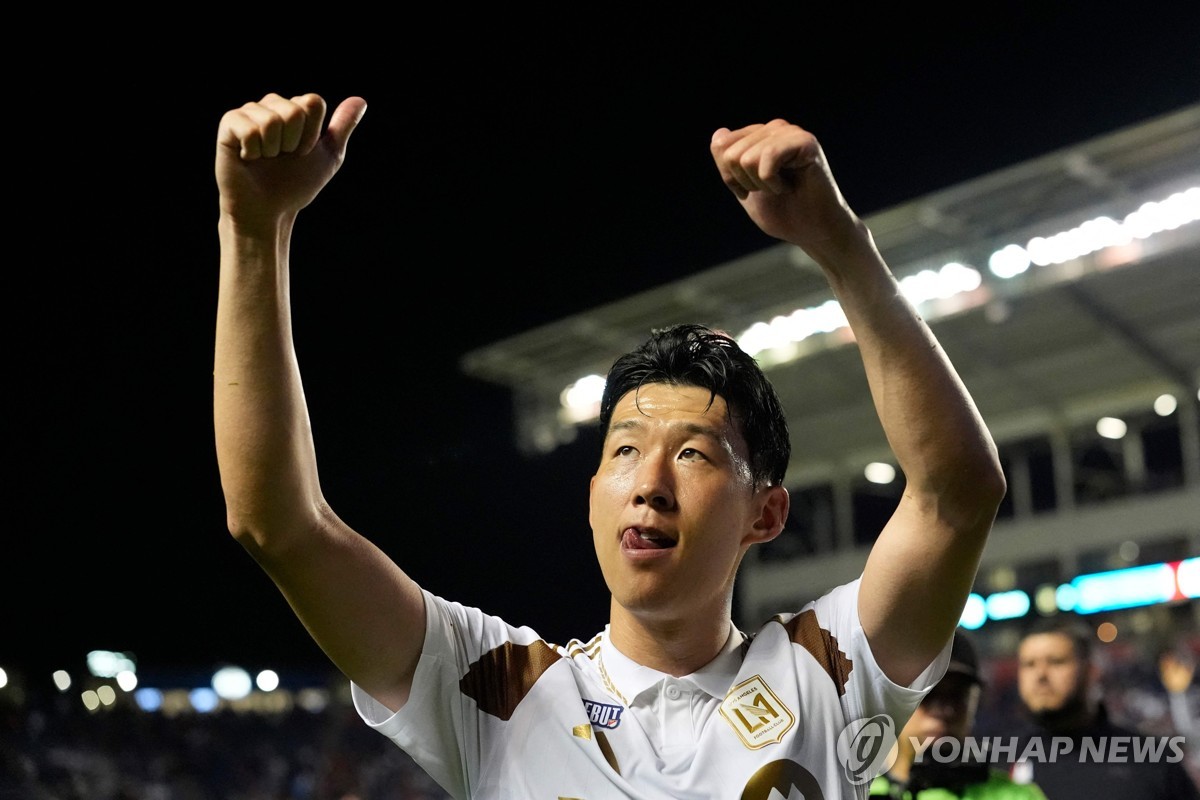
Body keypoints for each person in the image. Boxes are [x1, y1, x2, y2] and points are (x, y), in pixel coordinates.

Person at [213, 92, 1007, 798]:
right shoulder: (496, 688)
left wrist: (841, 243)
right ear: (592, 495)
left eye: (694, 454)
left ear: (765, 514)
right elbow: (279, 525)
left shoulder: (827, 672)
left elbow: (956, 495)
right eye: (624, 452)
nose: (649, 481)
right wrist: (253, 233)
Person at [1003, 617, 1200, 799]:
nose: (1040, 675)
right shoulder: (1000, 762)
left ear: (1092, 671)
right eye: (1029, 664)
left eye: (1056, 662)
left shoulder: (1150, 759)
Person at [869, 632, 1048, 799]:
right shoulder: (858, 792)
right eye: (928, 694)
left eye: (957, 695)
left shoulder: (1014, 796)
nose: (946, 711)